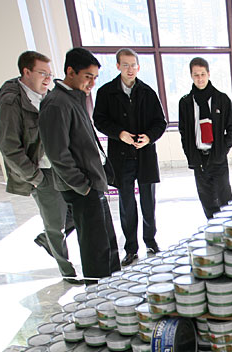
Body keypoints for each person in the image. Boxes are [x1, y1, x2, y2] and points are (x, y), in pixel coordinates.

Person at [0, 51, 80, 284]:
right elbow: (9, 147)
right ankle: (67, 271)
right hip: (42, 172)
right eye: (42, 73)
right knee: (55, 225)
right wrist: (35, 178)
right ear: (26, 72)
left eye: (49, 74)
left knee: (77, 214)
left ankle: (45, 240)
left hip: (62, 168)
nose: (47, 79)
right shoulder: (11, 102)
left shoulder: (49, 96)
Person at [39, 47, 121, 282]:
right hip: (83, 188)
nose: (92, 83)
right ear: (70, 72)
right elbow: (57, 154)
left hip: (93, 182)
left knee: (106, 241)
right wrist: (83, 186)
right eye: (88, 76)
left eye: (95, 77)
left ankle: (116, 287)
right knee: (95, 247)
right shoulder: (56, 104)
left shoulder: (75, 97)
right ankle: (98, 294)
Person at [93, 48, 166, 266]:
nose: (130, 69)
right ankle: (131, 248)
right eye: (125, 65)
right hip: (121, 156)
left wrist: (149, 137)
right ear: (118, 66)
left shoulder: (148, 92)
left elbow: (160, 122)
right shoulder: (106, 92)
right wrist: (119, 134)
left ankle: (151, 241)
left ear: (138, 67)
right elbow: (99, 120)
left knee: (148, 202)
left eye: (133, 65)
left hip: (145, 155)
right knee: (126, 204)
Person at [178, 57, 232, 219]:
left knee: (225, 199)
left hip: (217, 157)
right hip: (198, 158)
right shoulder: (186, 102)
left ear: (209, 74)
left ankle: (230, 230)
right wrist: (190, 154)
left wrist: (222, 150)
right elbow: (183, 132)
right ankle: (213, 229)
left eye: (203, 74)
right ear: (191, 76)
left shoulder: (221, 99)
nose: (200, 78)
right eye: (196, 75)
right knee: (207, 200)